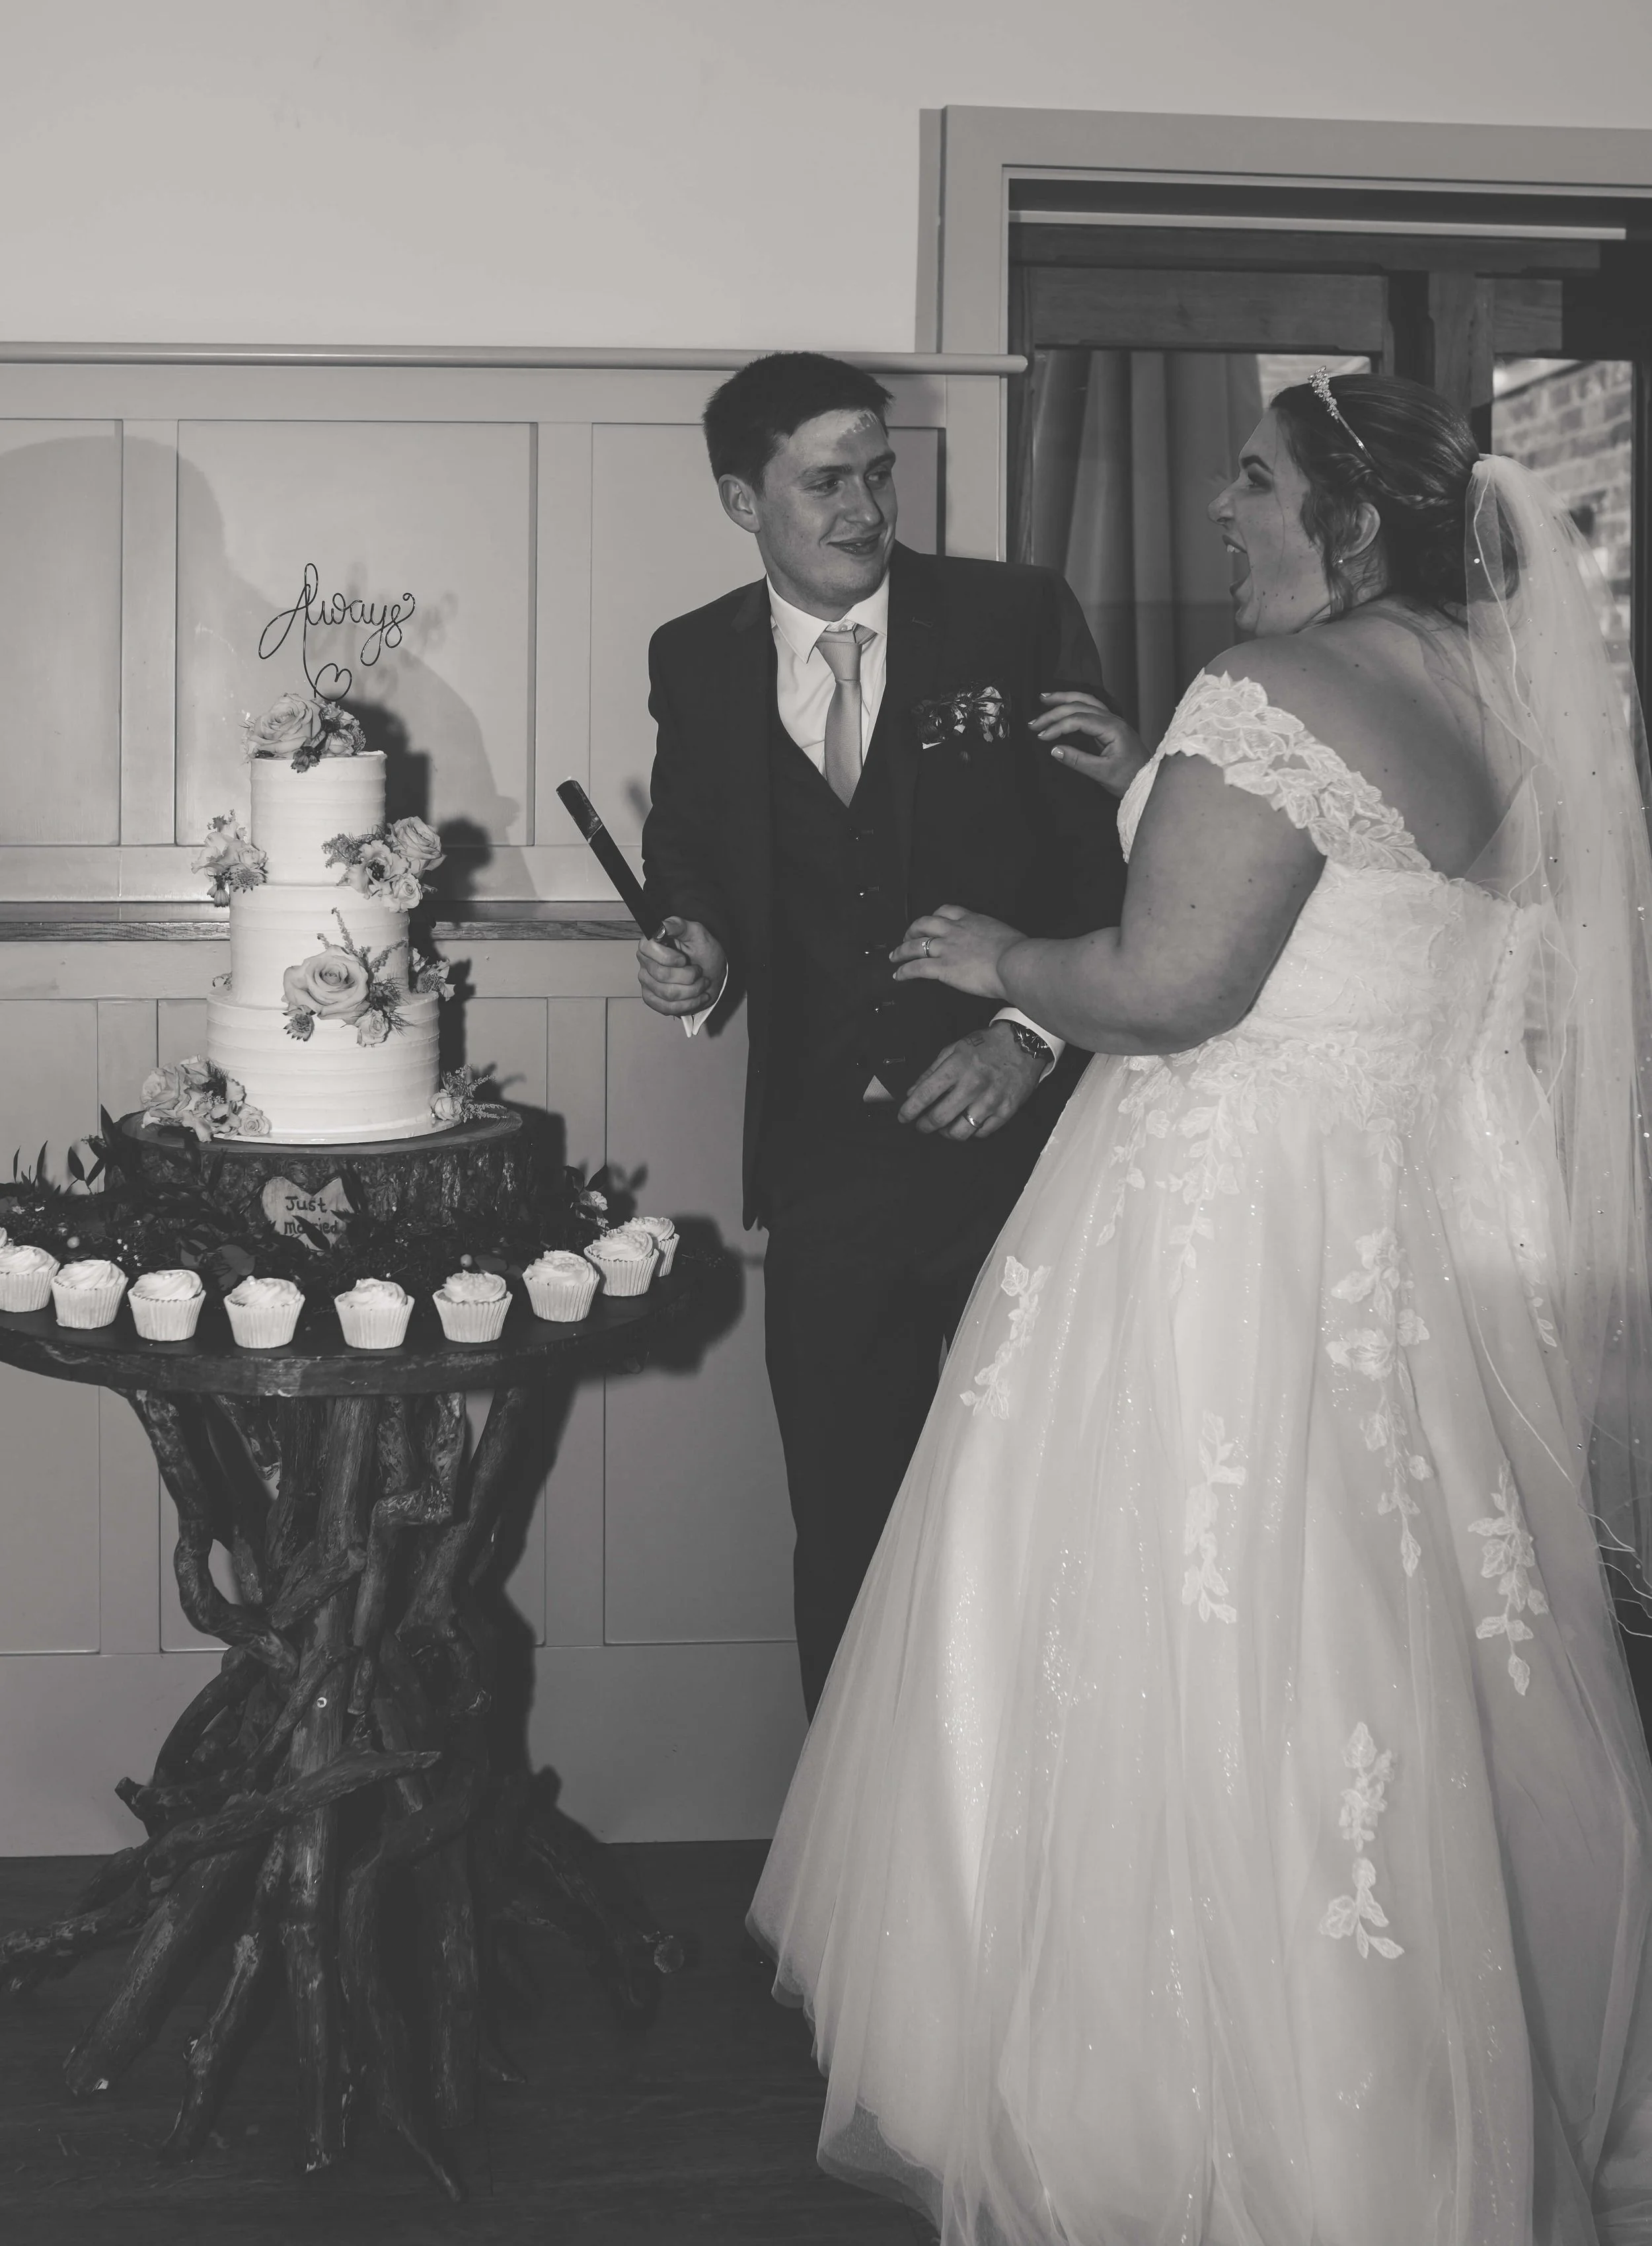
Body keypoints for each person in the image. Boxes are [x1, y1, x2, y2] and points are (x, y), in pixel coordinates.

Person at [750, 370, 1652, 2245]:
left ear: (1349, 514)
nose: (1222, 510)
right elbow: (1393, 951)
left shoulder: (1275, 693)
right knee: (1392, 1641)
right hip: (1396, 1246)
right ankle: (1446, 2068)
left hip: (1221, 1236)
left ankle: (1190, 2109)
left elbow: (1169, 987)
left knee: (1188, 1623)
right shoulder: (1490, 697)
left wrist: (1002, 958)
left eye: (1251, 483)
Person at [636, 352, 1127, 1716]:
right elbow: (697, 855)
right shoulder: (694, 655)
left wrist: (1024, 1038)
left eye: (878, 473)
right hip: (824, 1167)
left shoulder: (1013, 616)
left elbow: (1101, 877)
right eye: (824, 481)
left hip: (1017, 1159)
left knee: (1030, 1514)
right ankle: (846, 1900)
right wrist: (696, 949)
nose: (864, 507)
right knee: (845, 1531)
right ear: (744, 497)